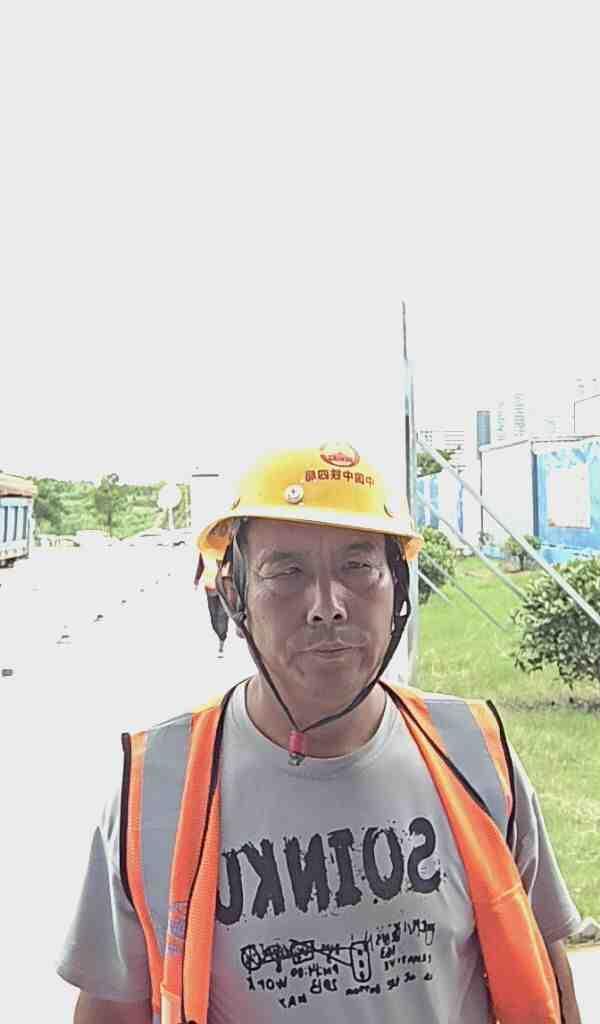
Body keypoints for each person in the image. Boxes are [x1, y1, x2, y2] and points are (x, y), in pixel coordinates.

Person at [57, 442, 582, 1024]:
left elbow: (547, 971)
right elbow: (110, 1007)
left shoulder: (474, 752)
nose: (327, 606)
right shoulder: (158, 784)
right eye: (287, 572)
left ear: (398, 586)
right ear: (234, 595)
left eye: (358, 567)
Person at [194, 547, 229, 656]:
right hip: (209, 586)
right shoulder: (205, 546)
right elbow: (201, 563)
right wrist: (196, 578)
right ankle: (219, 634)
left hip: (223, 587)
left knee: (221, 615)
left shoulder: (225, 547)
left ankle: (222, 639)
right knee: (213, 614)